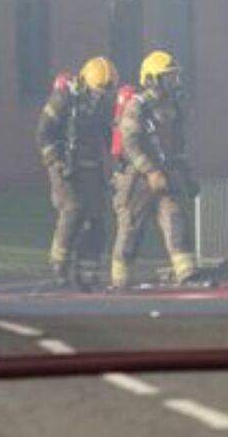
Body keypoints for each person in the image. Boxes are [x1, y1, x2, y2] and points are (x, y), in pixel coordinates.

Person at [110, 50, 201, 289]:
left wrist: (187, 176)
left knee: (176, 219)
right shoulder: (136, 107)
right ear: (151, 79)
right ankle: (120, 281)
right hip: (137, 179)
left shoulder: (174, 108)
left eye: (174, 77)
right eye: (168, 77)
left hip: (166, 175)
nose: (174, 83)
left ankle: (187, 273)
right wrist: (150, 171)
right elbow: (130, 143)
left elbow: (178, 147)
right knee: (131, 229)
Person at [36, 57, 118, 289]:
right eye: (97, 91)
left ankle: (87, 272)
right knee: (72, 211)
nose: (100, 97)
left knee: (96, 222)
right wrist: (55, 160)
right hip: (65, 166)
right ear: (84, 83)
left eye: (105, 92)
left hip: (91, 167)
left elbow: (109, 135)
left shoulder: (102, 105)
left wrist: (118, 160)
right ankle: (58, 265)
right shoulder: (63, 99)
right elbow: (43, 133)